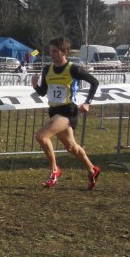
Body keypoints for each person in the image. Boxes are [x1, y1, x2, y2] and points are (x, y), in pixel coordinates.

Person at [31, 37, 100, 189]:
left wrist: (87, 102)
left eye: (55, 51)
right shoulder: (47, 69)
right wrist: (36, 85)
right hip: (54, 111)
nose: (52, 54)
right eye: (50, 51)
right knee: (72, 147)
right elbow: (43, 92)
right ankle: (92, 169)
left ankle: (54, 171)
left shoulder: (73, 68)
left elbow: (94, 82)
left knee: (42, 136)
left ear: (65, 52)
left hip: (68, 111)